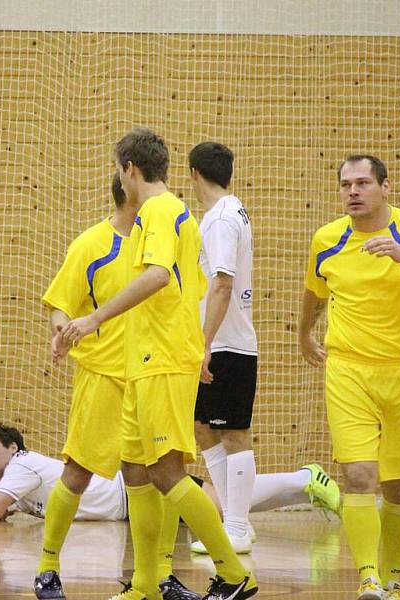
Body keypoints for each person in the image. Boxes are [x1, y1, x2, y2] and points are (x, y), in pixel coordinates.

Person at [62, 128, 257, 600]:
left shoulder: (159, 209)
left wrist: (94, 318)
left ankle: (234, 575)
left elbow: (156, 276)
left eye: (117, 169)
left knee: (168, 472)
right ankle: (146, 584)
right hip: (148, 358)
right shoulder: (172, 211)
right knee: (137, 468)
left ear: (129, 169)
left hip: (163, 358)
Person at [299, 155, 400, 600]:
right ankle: (368, 578)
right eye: (345, 185)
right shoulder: (327, 240)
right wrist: (303, 335)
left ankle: (393, 579)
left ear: (385, 188)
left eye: (363, 183)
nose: (353, 191)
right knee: (357, 475)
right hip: (348, 368)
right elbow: (315, 292)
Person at [32, 174, 199, 600]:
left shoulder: (160, 239)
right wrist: (62, 331)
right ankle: (48, 567)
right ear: (129, 190)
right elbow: (60, 302)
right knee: (78, 471)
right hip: (104, 375)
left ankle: (159, 577)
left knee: (157, 475)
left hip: (155, 373)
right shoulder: (92, 244)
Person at [188, 142, 340, 555]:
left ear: (194, 174)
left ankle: (236, 527)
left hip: (226, 342)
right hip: (218, 340)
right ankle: (233, 522)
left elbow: (221, 282)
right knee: (205, 430)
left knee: (233, 433)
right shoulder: (228, 211)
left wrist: (203, 343)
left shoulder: (220, 218)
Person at [0, 424, 334, 525]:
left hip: (136, 488)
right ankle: (306, 490)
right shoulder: (6, 477)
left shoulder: (20, 466)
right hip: (129, 510)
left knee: (224, 505)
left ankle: (304, 477)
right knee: (226, 511)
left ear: (13, 449)